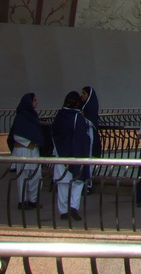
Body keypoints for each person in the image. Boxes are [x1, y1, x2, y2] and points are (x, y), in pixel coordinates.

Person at [50, 91, 89, 220]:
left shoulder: (59, 115)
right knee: (78, 181)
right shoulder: (77, 117)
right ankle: (73, 206)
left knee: (62, 183)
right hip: (75, 155)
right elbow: (82, 137)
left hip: (60, 154)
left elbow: (53, 133)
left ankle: (63, 211)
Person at [6, 93, 43, 209]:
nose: (36, 103)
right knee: (22, 177)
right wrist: (31, 140)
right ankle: (22, 201)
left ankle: (32, 199)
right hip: (23, 151)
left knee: (36, 176)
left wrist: (36, 141)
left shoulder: (33, 116)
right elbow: (17, 135)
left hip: (33, 151)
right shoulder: (21, 117)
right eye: (34, 100)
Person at [80, 86, 101, 191]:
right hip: (83, 137)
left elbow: (90, 122)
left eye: (84, 93)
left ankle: (88, 184)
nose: (82, 96)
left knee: (89, 159)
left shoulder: (90, 107)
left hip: (90, 136)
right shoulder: (82, 106)